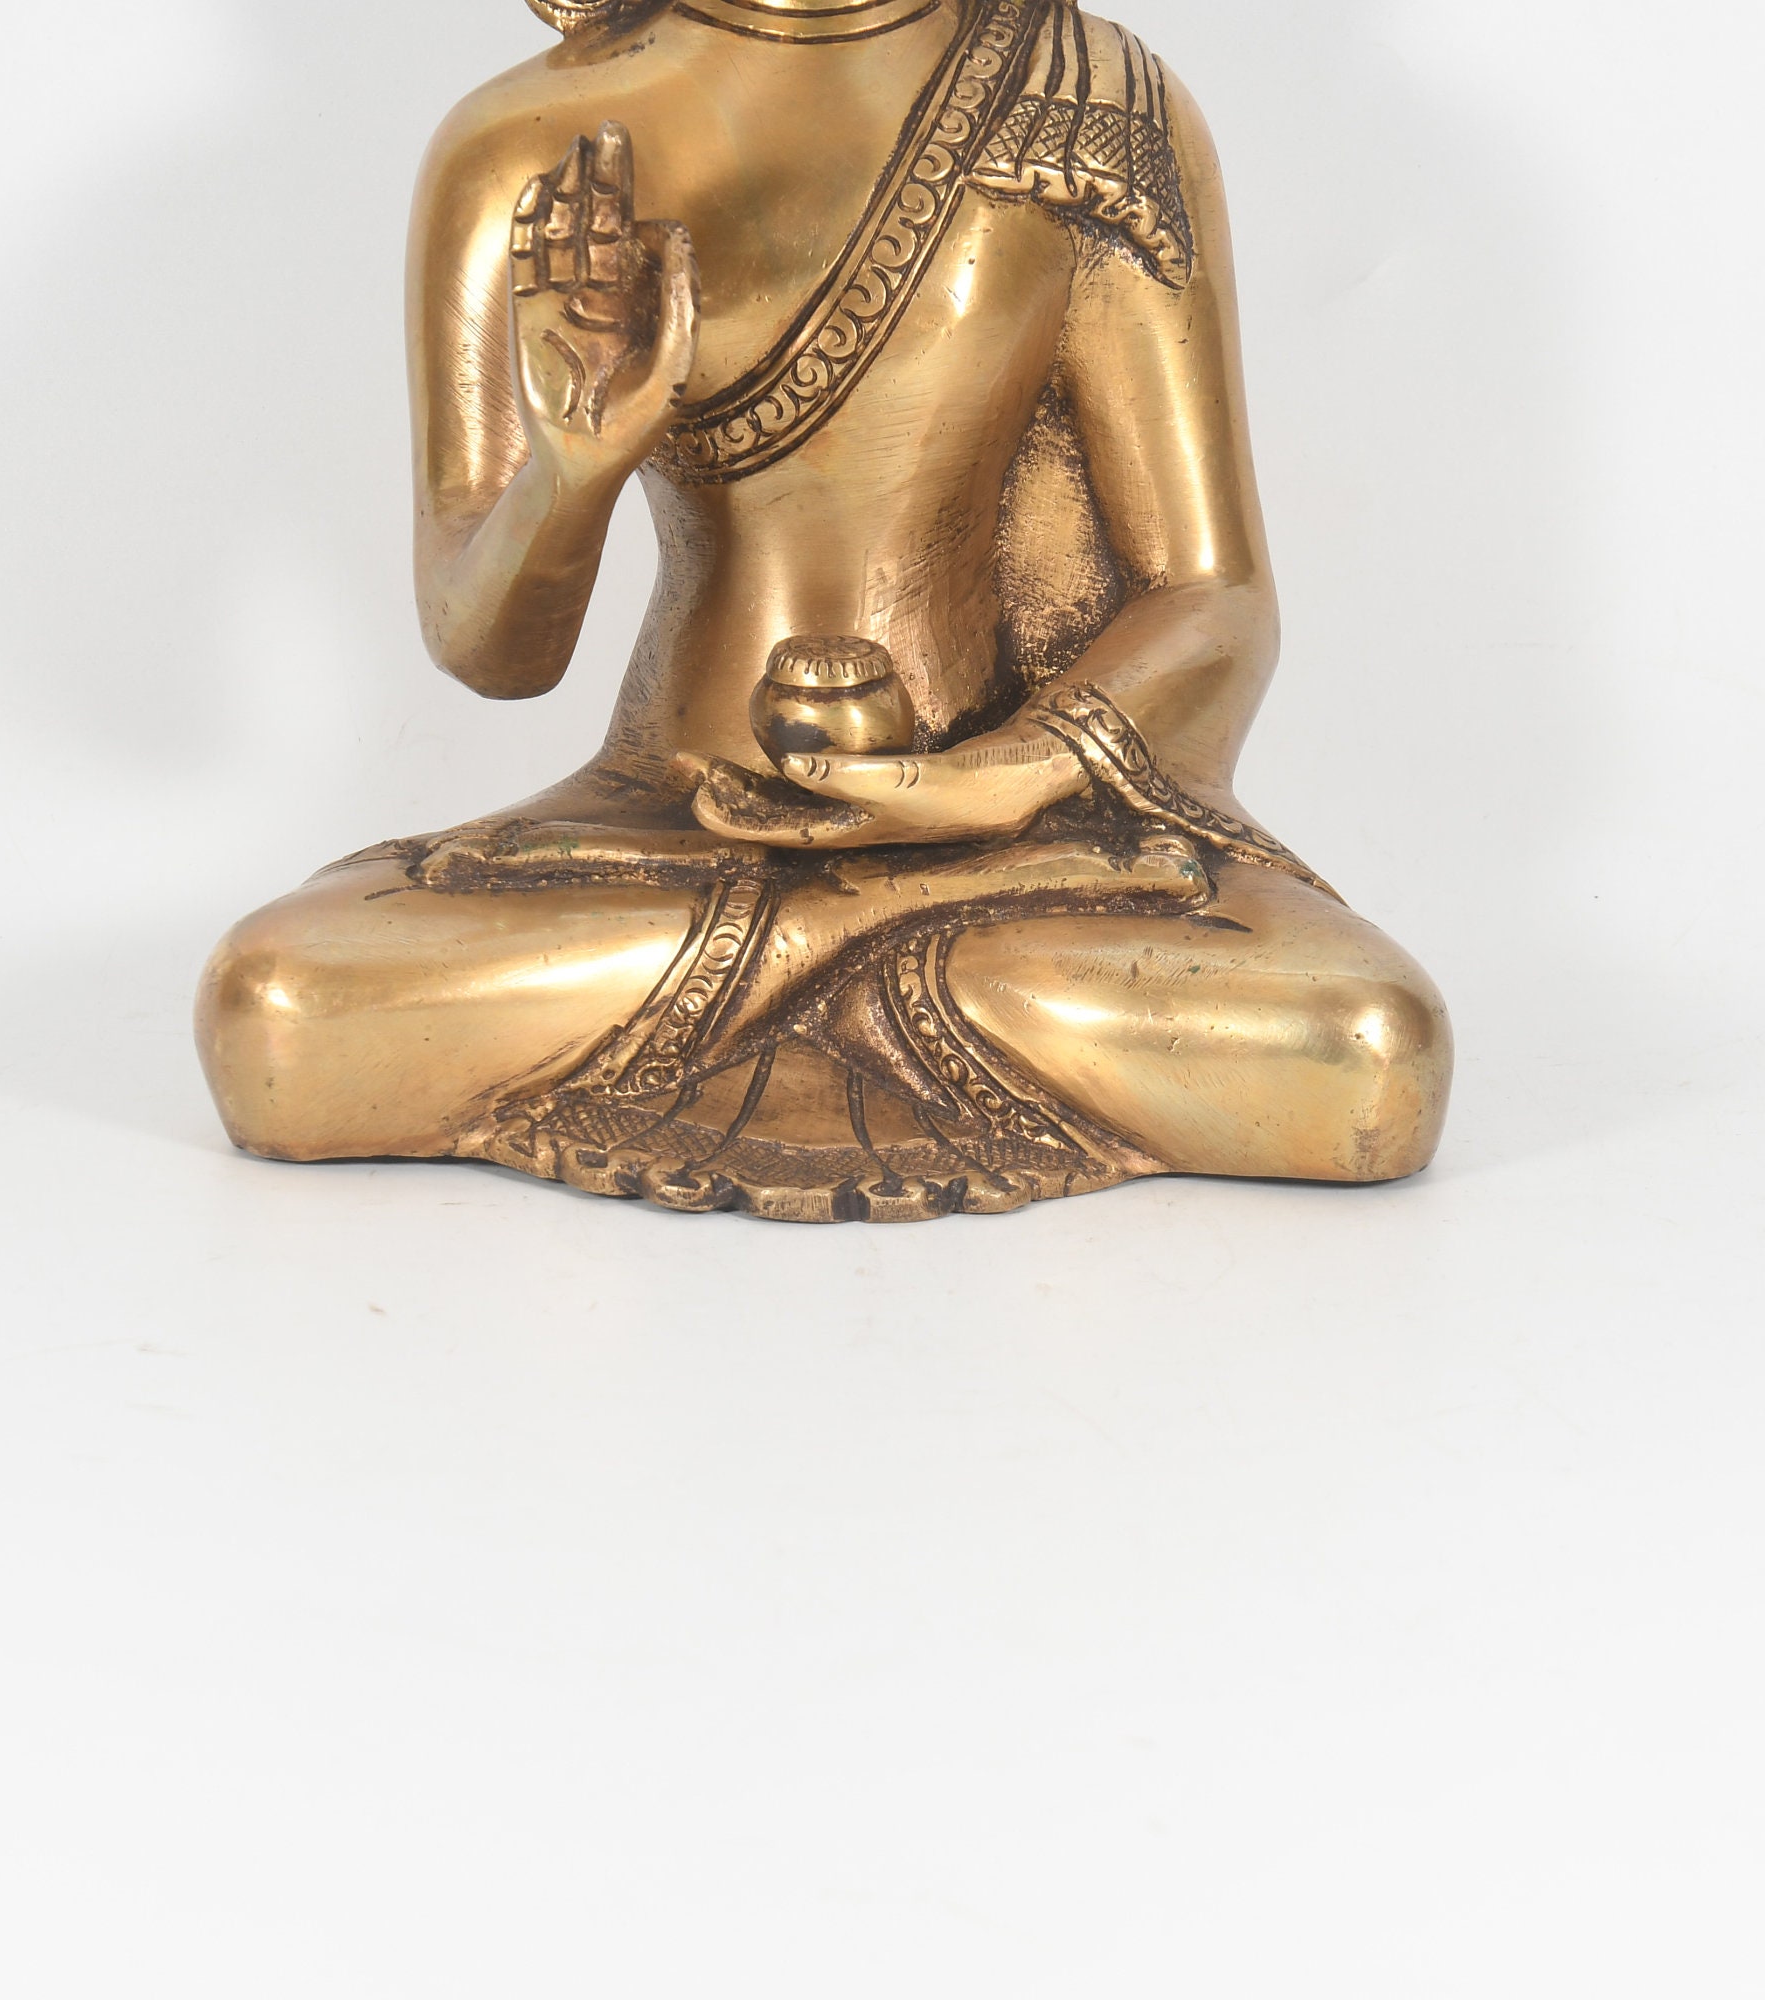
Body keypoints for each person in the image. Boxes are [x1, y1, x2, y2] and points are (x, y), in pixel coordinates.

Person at [196, 0, 1451, 1222]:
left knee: (1365, 1037)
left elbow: (1211, 596)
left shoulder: (1088, 99)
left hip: (1004, 843)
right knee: (280, 1002)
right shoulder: (533, 151)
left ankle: (811, 959)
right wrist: (568, 473)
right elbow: (489, 648)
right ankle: (861, 944)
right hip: (664, 820)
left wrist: (997, 782)